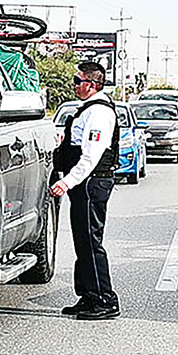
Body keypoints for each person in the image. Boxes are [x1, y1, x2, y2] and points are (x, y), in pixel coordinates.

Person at [50, 61, 120, 320]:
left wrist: (66, 181)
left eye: (77, 81)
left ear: (91, 84)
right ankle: (88, 296)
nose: (74, 85)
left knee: (91, 242)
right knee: (82, 240)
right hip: (84, 184)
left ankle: (105, 299)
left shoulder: (100, 112)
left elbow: (91, 156)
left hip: (92, 183)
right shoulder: (88, 109)